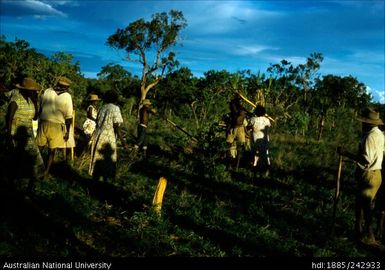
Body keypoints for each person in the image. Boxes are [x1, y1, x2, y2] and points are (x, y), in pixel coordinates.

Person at [338, 107, 384, 245]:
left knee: (365, 206)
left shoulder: (370, 137)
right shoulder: (379, 134)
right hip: (374, 173)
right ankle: (358, 232)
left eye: (363, 121)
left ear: (368, 123)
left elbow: (366, 160)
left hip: (369, 174)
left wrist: (346, 153)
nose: (361, 123)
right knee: (360, 204)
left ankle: (369, 236)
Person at [5, 77, 45, 192]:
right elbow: (9, 117)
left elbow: (35, 117)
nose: (34, 92)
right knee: (16, 161)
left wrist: (36, 102)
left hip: (28, 134)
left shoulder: (30, 100)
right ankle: (12, 184)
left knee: (35, 159)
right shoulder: (16, 99)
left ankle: (30, 187)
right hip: (16, 134)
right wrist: (9, 136)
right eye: (32, 90)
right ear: (24, 89)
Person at [36, 76, 73, 178]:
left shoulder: (47, 91)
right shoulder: (67, 96)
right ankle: (46, 172)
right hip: (56, 126)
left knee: (39, 148)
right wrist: (67, 132)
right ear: (66, 87)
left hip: (43, 123)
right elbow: (69, 117)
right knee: (52, 151)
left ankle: (35, 167)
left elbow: (40, 107)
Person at [89, 90, 128, 182]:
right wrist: (123, 142)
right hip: (108, 137)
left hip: (98, 135)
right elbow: (116, 127)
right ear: (115, 98)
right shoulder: (115, 108)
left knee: (97, 159)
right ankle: (105, 183)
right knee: (107, 161)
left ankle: (95, 182)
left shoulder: (102, 108)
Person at [248, 105, 271, 177]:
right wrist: (266, 117)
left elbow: (248, 127)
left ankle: (255, 172)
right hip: (265, 141)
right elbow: (269, 125)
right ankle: (267, 170)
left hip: (255, 140)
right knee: (266, 155)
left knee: (255, 155)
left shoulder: (253, 119)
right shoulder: (267, 120)